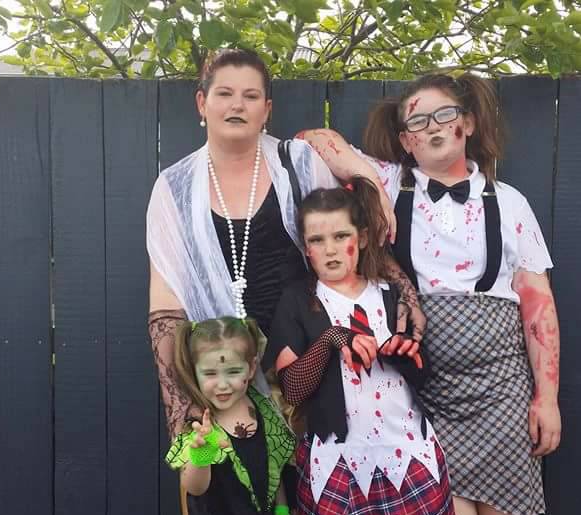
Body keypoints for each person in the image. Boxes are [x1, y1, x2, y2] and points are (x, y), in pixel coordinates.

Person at [298, 73, 562, 515]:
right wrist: (367, 181)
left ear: (468, 123)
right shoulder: (388, 183)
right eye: (418, 121)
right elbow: (311, 138)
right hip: (425, 399)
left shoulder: (511, 203)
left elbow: (538, 305)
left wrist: (547, 398)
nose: (433, 126)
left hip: (501, 393)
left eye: (445, 114)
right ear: (405, 140)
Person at [146, 48, 424, 439]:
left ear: (267, 109)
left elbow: (348, 241)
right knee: (228, 478)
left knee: (307, 477)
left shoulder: (298, 164)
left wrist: (405, 292)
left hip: (305, 372)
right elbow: (165, 309)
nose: (237, 105)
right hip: (220, 384)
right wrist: (181, 408)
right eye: (224, 93)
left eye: (251, 96)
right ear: (202, 103)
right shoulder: (173, 188)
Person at [264, 179, 459, 515]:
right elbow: (292, 389)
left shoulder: (391, 296)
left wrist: (406, 355)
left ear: (364, 238)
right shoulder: (298, 301)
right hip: (337, 460)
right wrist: (331, 339)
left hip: (407, 451)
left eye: (341, 236)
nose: (330, 249)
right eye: (317, 240)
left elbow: (424, 375)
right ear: (305, 248)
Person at [166, 316, 296, 515]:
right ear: (195, 371)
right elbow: (194, 487)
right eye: (210, 374)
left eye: (233, 371)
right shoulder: (198, 423)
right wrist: (201, 455)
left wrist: (283, 513)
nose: (223, 384)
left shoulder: (263, 407)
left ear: (251, 367)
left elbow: (274, 466)